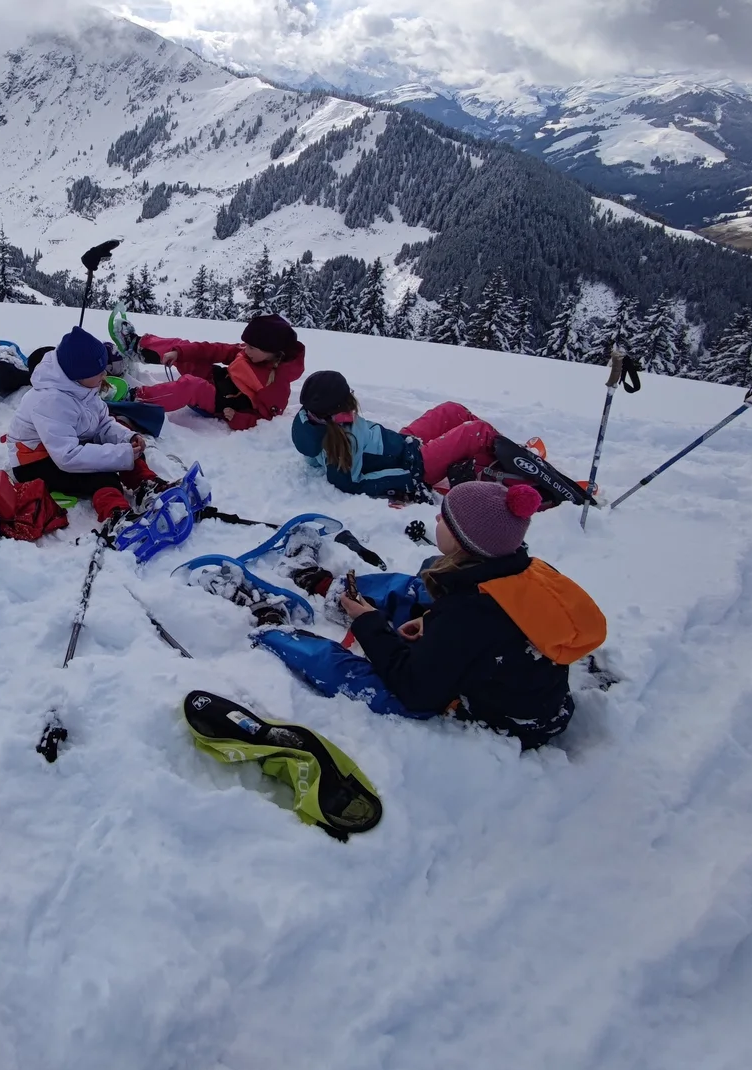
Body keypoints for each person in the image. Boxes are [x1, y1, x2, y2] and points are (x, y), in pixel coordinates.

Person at [267, 480, 603, 748]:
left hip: (507, 723)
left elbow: (414, 689)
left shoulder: (466, 614)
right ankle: (332, 587)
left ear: (463, 542)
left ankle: (271, 626)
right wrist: (430, 620)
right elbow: (494, 627)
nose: (437, 520)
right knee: (429, 577)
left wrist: (367, 623)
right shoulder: (521, 571)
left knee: (360, 677)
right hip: (524, 688)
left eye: (446, 519)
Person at [6, 327, 156, 519]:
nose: (104, 375)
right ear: (80, 374)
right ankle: (117, 515)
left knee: (125, 446)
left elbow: (102, 422)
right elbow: (68, 457)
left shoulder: (82, 385)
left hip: (64, 445)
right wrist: (120, 455)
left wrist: (128, 439)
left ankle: (147, 485)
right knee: (102, 475)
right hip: (35, 461)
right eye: (99, 371)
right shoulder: (51, 401)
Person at [291, 370, 499, 498]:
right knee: (476, 432)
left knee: (453, 410)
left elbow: (313, 459)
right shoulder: (345, 440)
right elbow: (352, 484)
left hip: (403, 444)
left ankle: (488, 460)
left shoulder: (311, 421)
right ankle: (516, 467)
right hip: (416, 465)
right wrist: (406, 480)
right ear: (341, 405)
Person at [122, 313, 304, 431]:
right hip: (217, 378)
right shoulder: (251, 353)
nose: (245, 350)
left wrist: (238, 419)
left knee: (191, 386)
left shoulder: (277, 386)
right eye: (246, 345)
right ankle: (138, 346)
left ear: (273, 352)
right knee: (183, 348)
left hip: (220, 403)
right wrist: (179, 352)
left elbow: (265, 420)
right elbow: (215, 350)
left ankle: (134, 398)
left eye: (251, 347)